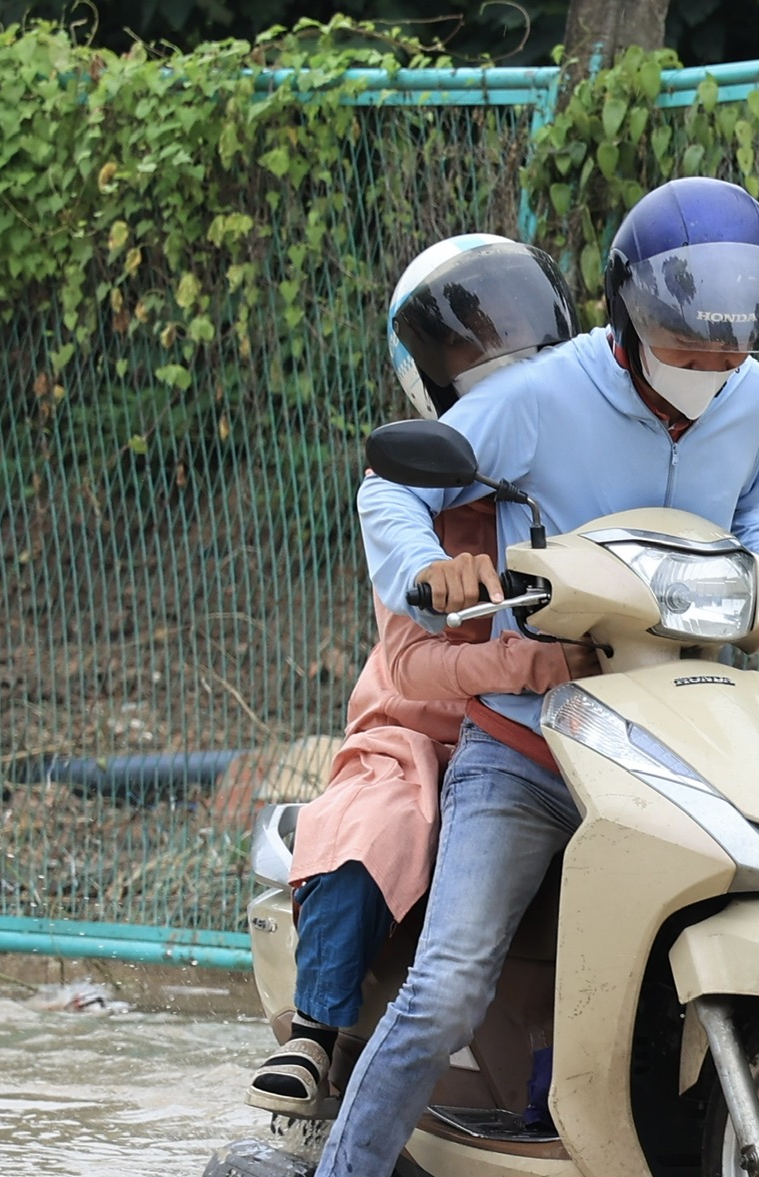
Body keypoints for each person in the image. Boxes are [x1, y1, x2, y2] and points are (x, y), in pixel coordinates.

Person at [293, 181, 759, 1177]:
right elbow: (389, 485)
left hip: (679, 717)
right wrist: (428, 573)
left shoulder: (753, 398)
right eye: (691, 341)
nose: (717, 365)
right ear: (629, 320)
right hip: (526, 740)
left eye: (737, 347)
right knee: (450, 984)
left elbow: (749, 517)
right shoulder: (545, 395)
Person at [248, 243, 587, 1120]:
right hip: (421, 733)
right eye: (472, 338)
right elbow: (411, 663)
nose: (503, 347)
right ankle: (316, 1037)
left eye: (513, 318)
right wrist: (533, 660)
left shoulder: (575, 463)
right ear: (426, 372)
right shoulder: (414, 486)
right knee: (387, 822)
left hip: (571, 719)